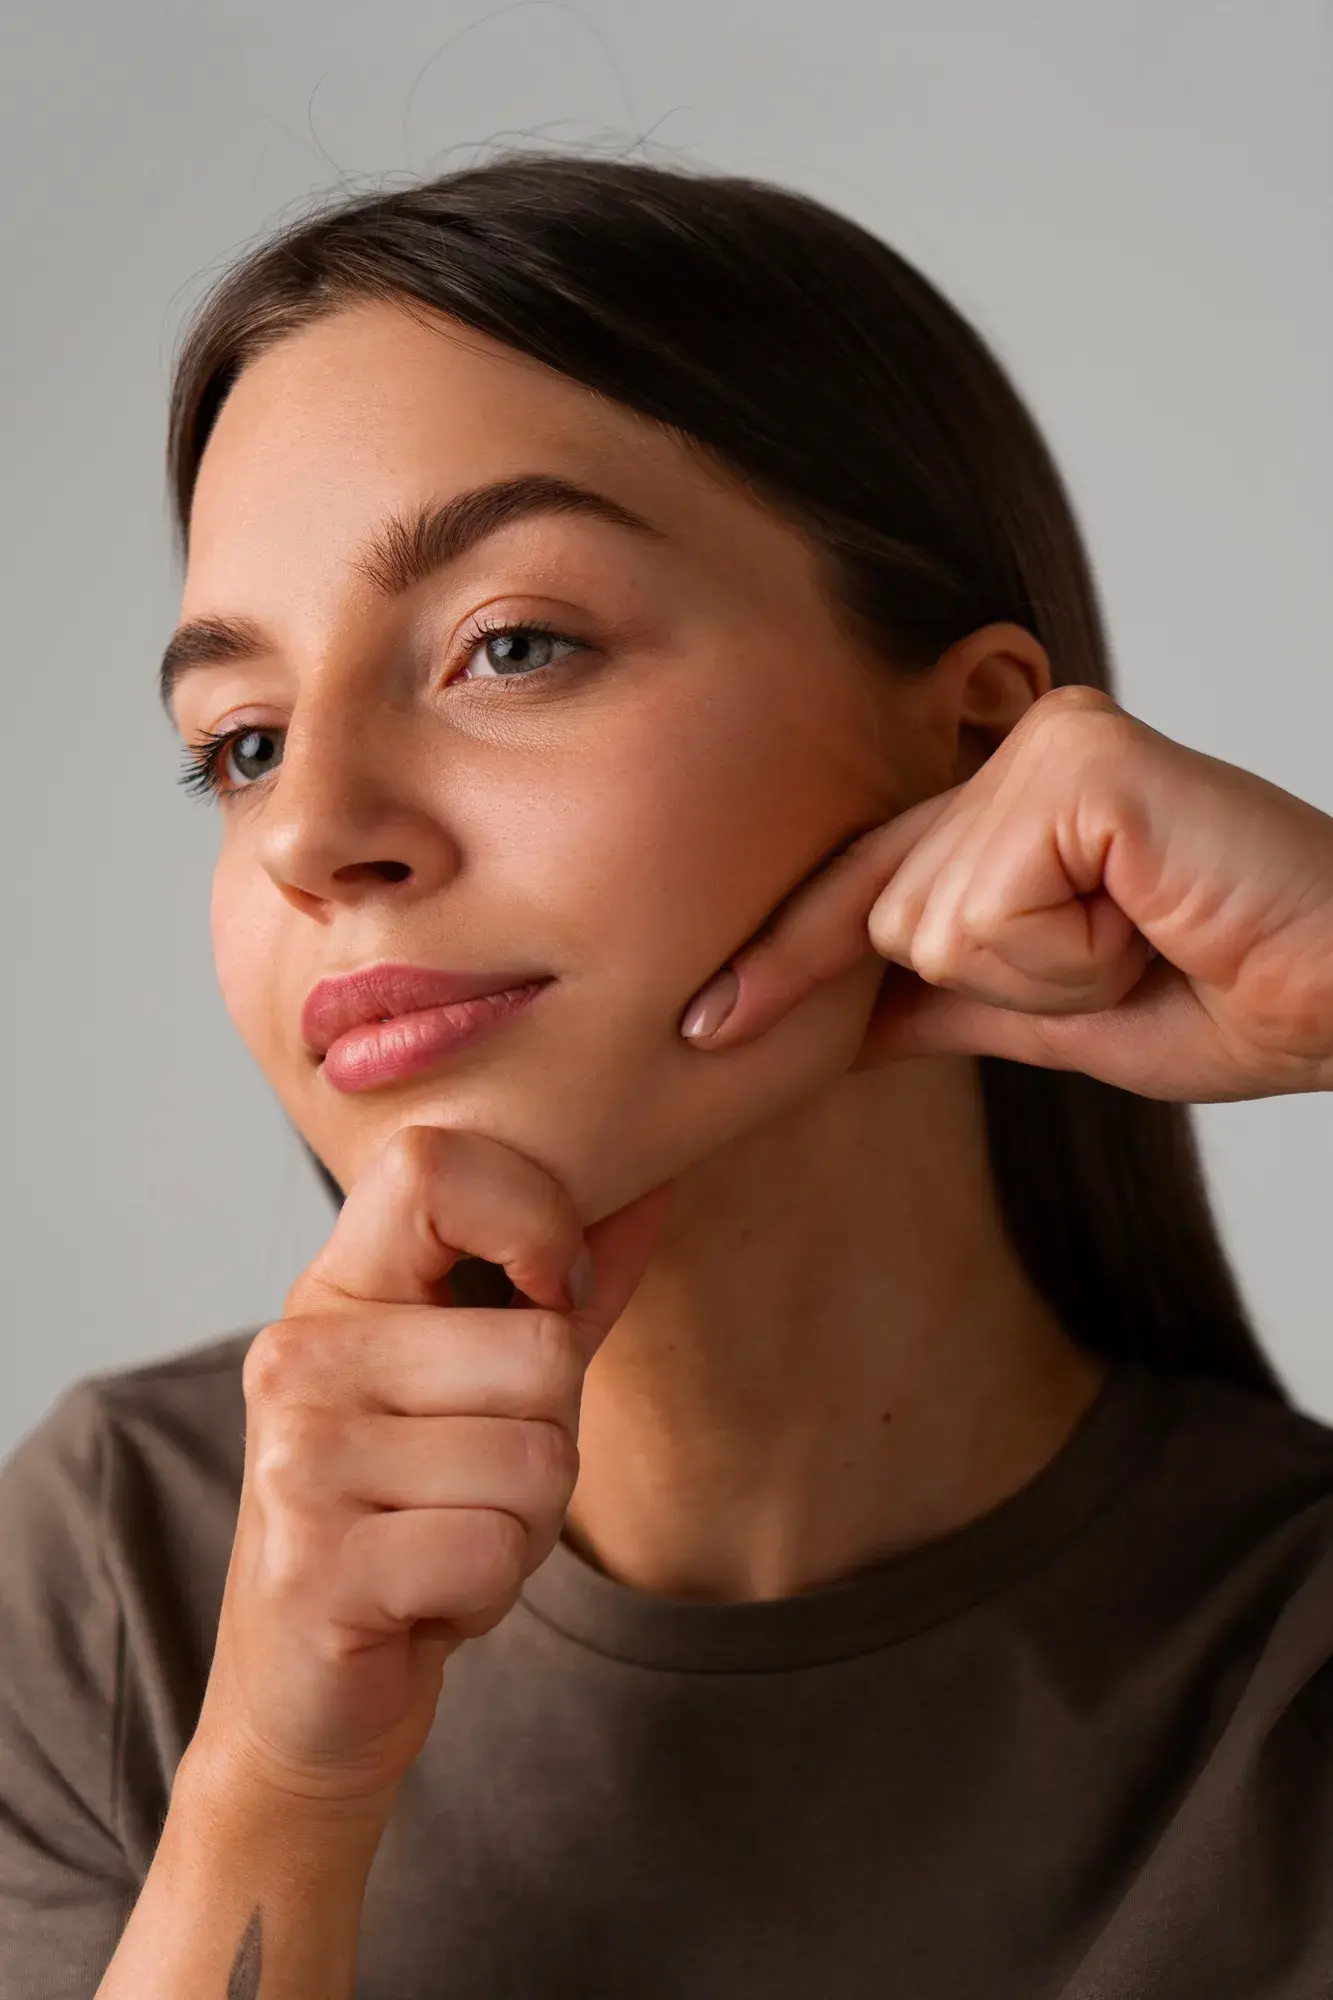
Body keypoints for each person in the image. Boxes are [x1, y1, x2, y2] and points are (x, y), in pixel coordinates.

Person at [1, 149, 1331, 2000]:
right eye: (240, 744)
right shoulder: (114, 1581)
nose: (308, 832)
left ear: (972, 747)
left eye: (511, 644)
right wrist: (273, 1790)